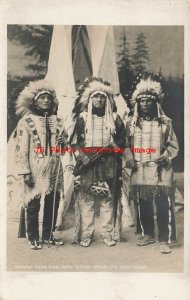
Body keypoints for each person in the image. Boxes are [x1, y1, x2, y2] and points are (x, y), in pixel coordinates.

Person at [124, 72, 179, 254]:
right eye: (142, 101)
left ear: (156, 102)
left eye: (149, 101)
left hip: (160, 169)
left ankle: (165, 238)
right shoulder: (131, 124)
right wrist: (129, 157)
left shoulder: (165, 123)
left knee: (163, 202)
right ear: (137, 103)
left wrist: (166, 156)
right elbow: (125, 145)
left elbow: (173, 146)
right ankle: (147, 234)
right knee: (143, 202)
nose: (145, 104)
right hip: (139, 168)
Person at [70, 77, 126, 247]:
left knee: (107, 199)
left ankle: (107, 234)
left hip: (109, 163)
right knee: (87, 200)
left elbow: (122, 141)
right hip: (88, 163)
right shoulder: (82, 119)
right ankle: (86, 234)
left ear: (107, 99)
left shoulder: (115, 118)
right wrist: (82, 157)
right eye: (96, 97)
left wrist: (114, 148)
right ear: (90, 99)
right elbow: (74, 142)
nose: (99, 100)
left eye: (102, 97)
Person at [15, 80, 67, 250]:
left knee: (53, 201)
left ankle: (48, 234)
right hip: (35, 166)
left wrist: (63, 141)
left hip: (54, 166)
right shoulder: (26, 122)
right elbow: (21, 149)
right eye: (42, 98)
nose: (46, 101)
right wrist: (25, 171)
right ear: (34, 101)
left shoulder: (58, 121)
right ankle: (33, 236)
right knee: (33, 202)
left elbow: (64, 149)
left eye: (49, 98)